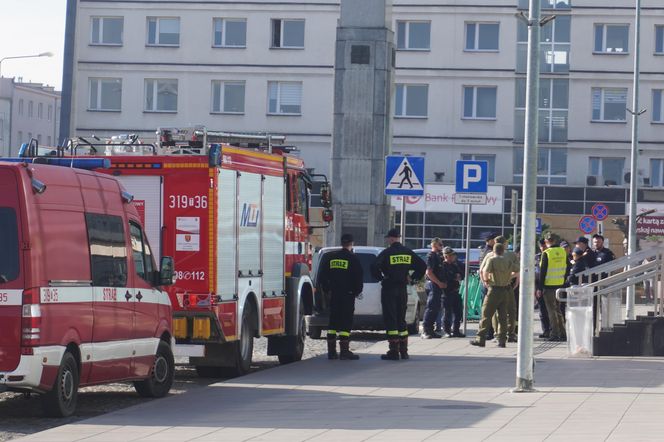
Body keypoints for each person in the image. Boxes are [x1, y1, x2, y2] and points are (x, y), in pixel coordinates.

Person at [372, 228, 427, 360]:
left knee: (391, 318)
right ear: (398, 238)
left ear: (391, 239)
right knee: (401, 318)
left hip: (389, 288)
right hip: (403, 288)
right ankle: (404, 351)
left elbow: (374, 266)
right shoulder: (407, 252)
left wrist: (381, 277)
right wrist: (413, 279)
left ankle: (393, 351)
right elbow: (422, 266)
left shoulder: (387, 252)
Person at [316, 234, 364, 360]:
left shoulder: (331, 258)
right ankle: (344, 351)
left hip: (334, 295)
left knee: (333, 322)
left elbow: (322, 277)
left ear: (341, 243)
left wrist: (328, 290)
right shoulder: (353, 259)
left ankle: (331, 352)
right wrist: (356, 291)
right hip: (347, 295)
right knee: (346, 322)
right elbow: (358, 277)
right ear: (352, 244)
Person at [471, 242, 519, 348]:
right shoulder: (508, 261)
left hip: (494, 290)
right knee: (502, 316)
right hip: (505, 290)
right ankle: (502, 340)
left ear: (494, 251)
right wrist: (509, 276)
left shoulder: (492, 260)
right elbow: (518, 269)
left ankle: (481, 339)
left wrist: (486, 281)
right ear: (503, 251)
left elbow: (485, 271)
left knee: (486, 314)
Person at [482, 236, 519, 342]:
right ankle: (510, 334)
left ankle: (497, 334)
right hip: (507, 286)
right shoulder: (511, 255)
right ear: (505, 244)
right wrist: (511, 277)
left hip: (493, 287)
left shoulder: (489, 255)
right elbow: (518, 271)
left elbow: (482, 271)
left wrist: (486, 282)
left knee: (494, 312)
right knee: (510, 311)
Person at [537, 233, 568, 342]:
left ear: (546, 242)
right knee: (558, 310)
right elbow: (568, 267)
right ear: (555, 240)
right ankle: (563, 333)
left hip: (548, 285)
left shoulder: (546, 253)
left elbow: (542, 272)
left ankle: (554, 334)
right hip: (560, 285)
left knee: (551, 311)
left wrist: (540, 288)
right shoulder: (562, 251)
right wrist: (563, 281)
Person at [421, 238, 446, 339]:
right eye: (440, 244)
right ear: (434, 245)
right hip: (433, 284)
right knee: (431, 307)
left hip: (436, 285)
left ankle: (431, 330)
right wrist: (439, 283)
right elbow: (429, 272)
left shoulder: (438, 256)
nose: (442, 246)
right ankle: (426, 330)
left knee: (435, 308)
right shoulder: (431, 256)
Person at [441, 247, 465, 338]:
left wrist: (459, 275)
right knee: (447, 313)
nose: (454, 257)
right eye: (452, 255)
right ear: (447, 256)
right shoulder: (443, 266)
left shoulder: (455, 265)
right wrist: (454, 276)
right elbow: (444, 277)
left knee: (458, 312)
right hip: (447, 292)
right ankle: (447, 331)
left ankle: (456, 330)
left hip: (455, 291)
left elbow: (461, 274)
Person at [535, 238, 551, 338]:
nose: (543, 248)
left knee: (550, 309)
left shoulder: (550, 255)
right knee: (542, 310)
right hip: (538, 285)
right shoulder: (537, 257)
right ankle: (545, 330)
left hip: (549, 285)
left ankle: (551, 330)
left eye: (544, 246)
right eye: (541, 246)